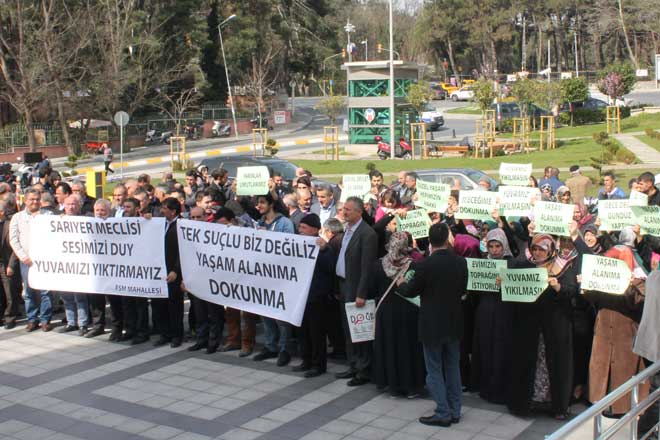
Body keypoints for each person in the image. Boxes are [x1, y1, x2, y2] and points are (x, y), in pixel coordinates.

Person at [398, 223, 468, 427]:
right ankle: (455, 411)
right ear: (447, 239)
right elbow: (463, 289)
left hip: (432, 325)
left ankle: (442, 412)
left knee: (435, 369)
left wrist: (401, 282)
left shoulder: (425, 265)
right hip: (454, 322)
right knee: (453, 367)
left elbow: (410, 291)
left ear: (429, 241)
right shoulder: (460, 262)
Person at [508, 233, 578, 420]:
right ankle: (528, 401)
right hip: (531, 327)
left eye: (542, 249)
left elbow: (572, 292)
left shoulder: (562, 267)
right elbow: (514, 291)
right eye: (535, 249)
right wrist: (503, 284)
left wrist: (557, 287)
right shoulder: (525, 266)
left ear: (551, 250)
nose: (538, 253)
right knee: (529, 363)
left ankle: (556, 405)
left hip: (555, 327)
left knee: (554, 364)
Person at [582, 245, 648, 415]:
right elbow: (594, 299)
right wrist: (586, 287)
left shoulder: (640, 280)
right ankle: (600, 402)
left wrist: (630, 285)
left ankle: (622, 407)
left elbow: (639, 303)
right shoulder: (604, 276)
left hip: (625, 333)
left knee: (623, 370)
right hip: (603, 330)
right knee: (602, 367)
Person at [371, 231, 426, 398]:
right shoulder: (413, 265)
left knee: (389, 347)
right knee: (407, 349)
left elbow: (372, 289)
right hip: (407, 313)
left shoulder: (379, 265)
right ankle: (410, 386)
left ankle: (392, 385)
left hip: (385, 312)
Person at [335, 197, 378, 386]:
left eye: (349, 210)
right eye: (344, 209)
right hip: (344, 285)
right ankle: (353, 364)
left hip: (356, 288)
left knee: (359, 330)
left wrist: (361, 293)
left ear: (360, 212)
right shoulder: (347, 230)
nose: (344, 212)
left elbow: (367, 267)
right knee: (347, 329)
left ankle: (364, 369)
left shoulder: (367, 234)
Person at [470, 228, 514, 404]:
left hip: (504, 312)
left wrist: (506, 282)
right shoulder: (482, 262)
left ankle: (500, 389)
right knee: (486, 348)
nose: (495, 250)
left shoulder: (511, 263)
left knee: (500, 349)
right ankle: (485, 387)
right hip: (485, 312)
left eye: (498, 246)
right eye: (492, 246)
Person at [292, 214, 337, 378]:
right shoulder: (297, 243)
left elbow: (331, 268)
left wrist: (323, 251)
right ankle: (306, 360)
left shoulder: (324, 247)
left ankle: (319, 365)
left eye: (303, 227)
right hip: (301, 296)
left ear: (314, 230)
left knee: (316, 333)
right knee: (302, 331)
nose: (300, 230)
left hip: (317, 296)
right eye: (300, 227)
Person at [253, 193, 295, 366]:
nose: (259, 206)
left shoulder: (285, 223)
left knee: (282, 318)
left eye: (262, 202)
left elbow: (290, 247)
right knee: (266, 313)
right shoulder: (259, 224)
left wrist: (268, 237)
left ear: (271, 204)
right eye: (257, 204)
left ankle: (285, 348)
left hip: (280, 277)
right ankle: (270, 346)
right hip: (263, 275)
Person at [9, 188, 54, 331]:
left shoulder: (49, 215)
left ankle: (46, 319)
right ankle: (32, 319)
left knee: (46, 291)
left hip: (44, 260)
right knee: (29, 291)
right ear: (25, 201)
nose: (34, 202)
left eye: (37, 199)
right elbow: (13, 239)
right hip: (27, 261)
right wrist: (23, 256)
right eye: (31, 199)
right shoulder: (17, 217)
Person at [187, 207, 226, 354]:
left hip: (212, 279)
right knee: (200, 312)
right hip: (197, 279)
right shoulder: (188, 234)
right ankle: (201, 339)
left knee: (214, 313)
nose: (196, 220)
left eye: (198, 217)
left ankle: (214, 341)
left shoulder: (214, 232)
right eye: (193, 217)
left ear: (205, 217)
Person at [152, 197, 183, 348]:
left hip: (173, 272)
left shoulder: (181, 225)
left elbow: (183, 251)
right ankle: (164, 334)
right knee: (159, 305)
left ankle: (177, 335)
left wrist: (176, 270)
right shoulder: (160, 223)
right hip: (159, 271)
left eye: (164, 208)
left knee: (174, 306)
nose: (161, 210)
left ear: (173, 211)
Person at [58, 195, 91, 335]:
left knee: (80, 296)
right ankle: (71, 322)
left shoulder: (86, 219)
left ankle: (82, 324)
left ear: (79, 205)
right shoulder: (57, 220)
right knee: (66, 296)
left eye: (74, 204)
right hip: (64, 265)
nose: (71, 207)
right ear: (63, 205)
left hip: (80, 265)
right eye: (68, 204)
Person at [0, 199, 20, 329]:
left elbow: (15, 246)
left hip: (6, 262)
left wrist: (11, 265)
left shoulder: (9, 224)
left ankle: (10, 317)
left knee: (10, 292)